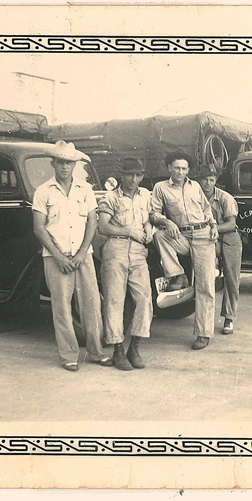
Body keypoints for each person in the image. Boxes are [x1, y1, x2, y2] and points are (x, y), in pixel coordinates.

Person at [32, 140, 112, 371]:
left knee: (92, 304)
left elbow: (93, 221)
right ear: (53, 163)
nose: (65, 167)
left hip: (83, 256)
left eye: (69, 162)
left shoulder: (85, 189)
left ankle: (96, 352)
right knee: (62, 308)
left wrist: (80, 253)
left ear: (75, 164)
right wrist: (58, 256)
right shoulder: (43, 191)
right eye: (61, 162)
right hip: (55, 258)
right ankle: (69, 355)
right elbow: (39, 227)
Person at [150, 151, 219, 350]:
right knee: (159, 235)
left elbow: (207, 210)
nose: (180, 172)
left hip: (203, 236)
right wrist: (166, 220)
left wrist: (213, 226)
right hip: (181, 235)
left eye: (184, 168)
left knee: (205, 286)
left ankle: (203, 334)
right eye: (177, 168)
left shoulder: (195, 186)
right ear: (169, 168)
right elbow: (154, 212)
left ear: (188, 170)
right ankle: (177, 275)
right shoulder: (160, 188)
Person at [97, 157, 154, 371]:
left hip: (138, 252)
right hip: (116, 249)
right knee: (114, 300)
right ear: (122, 174)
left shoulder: (145, 196)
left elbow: (148, 218)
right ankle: (118, 350)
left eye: (139, 175)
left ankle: (135, 347)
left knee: (144, 299)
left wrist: (148, 228)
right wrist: (129, 231)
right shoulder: (110, 197)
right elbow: (103, 226)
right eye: (130, 174)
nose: (134, 179)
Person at [197, 163, 242, 335]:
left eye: (211, 179)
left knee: (232, 278)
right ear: (198, 180)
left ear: (216, 180)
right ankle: (204, 318)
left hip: (229, 238)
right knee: (205, 276)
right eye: (204, 179)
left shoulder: (225, 197)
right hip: (208, 239)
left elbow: (231, 223)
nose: (208, 183)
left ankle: (229, 318)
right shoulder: (195, 197)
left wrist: (213, 228)